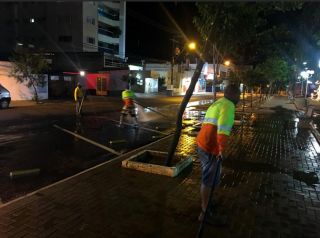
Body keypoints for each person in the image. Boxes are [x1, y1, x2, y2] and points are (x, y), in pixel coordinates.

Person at [196, 84, 240, 224]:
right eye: (238, 94)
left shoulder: (219, 102)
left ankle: (207, 202)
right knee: (208, 179)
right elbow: (222, 131)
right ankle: (204, 212)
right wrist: (221, 150)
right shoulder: (228, 106)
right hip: (210, 147)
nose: (239, 97)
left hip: (202, 143)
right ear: (234, 95)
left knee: (208, 176)